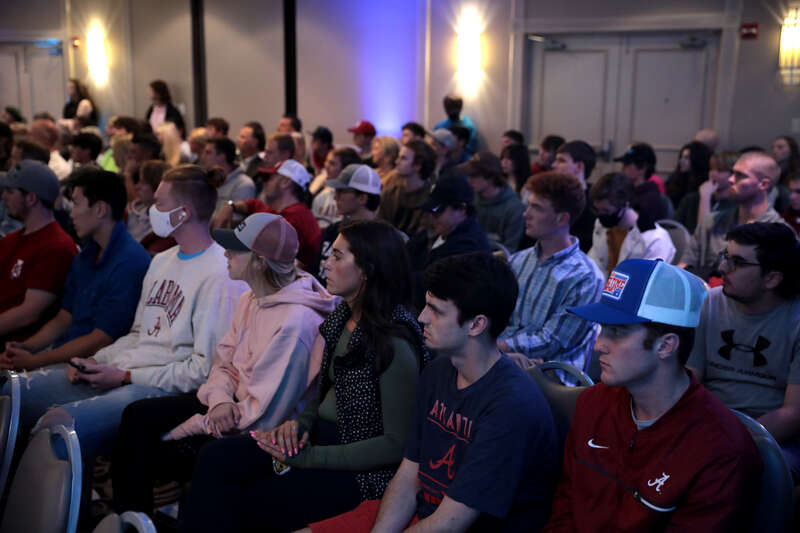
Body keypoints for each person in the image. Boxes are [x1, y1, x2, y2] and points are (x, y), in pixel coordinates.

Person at [182, 219, 429, 532]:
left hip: (361, 470)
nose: (325, 262)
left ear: (367, 270)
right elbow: (327, 392)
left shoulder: (393, 342)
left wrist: (312, 457)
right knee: (216, 458)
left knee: (251, 500)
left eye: (338, 257)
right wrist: (301, 424)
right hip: (319, 437)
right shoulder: (342, 315)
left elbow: (395, 445)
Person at [308, 252, 559, 533]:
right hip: (423, 511)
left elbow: (452, 522)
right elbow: (409, 473)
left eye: (436, 310)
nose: (421, 317)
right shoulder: (439, 370)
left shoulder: (510, 405)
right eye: (426, 305)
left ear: (476, 324)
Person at [12, 164, 248, 457]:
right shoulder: (161, 261)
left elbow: (205, 370)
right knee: (13, 394)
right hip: (123, 371)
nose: (151, 209)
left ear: (183, 213)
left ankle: (65, 501)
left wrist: (125, 376)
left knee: (56, 431)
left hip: (159, 389)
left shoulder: (220, 274)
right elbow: (138, 334)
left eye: (159, 204)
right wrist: (93, 360)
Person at [112, 212, 338, 514]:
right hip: (229, 407)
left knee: (164, 449)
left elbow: (265, 415)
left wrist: (193, 425)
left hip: (260, 430)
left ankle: (151, 514)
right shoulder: (252, 297)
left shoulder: (296, 323)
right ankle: (131, 519)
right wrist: (218, 401)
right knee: (137, 416)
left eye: (235, 248)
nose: (226, 253)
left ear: (259, 260)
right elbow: (224, 362)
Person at [545, 258, 763, 532]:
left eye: (617, 332)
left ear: (666, 345)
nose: (599, 344)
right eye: (602, 329)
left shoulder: (721, 449)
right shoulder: (593, 403)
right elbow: (565, 510)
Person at [0, 168, 150, 371]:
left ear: (99, 210)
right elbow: (64, 318)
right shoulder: (87, 255)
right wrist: (27, 347)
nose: (71, 214)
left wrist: (33, 362)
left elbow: (100, 339)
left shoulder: (129, 261)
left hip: (94, 365)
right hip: (63, 353)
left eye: (77, 203)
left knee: (10, 389)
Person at [687, 222, 800, 480]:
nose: (722, 268)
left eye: (737, 262)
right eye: (725, 256)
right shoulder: (711, 303)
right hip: (706, 425)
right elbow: (689, 378)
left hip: (771, 437)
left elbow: (793, 414)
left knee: (745, 475)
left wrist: (728, 439)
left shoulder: (796, 319)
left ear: (772, 278)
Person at [497, 171, 603, 376]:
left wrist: (493, 347)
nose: (526, 213)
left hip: (551, 374)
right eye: (529, 205)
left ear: (561, 218)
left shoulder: (586, 277)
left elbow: (553, 342)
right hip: (507, 360)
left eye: (536, 208)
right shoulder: (519, 260)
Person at [0, 161, 77, 345]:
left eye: (11, 192)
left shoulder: (56, 247)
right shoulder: (12, 240)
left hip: (15, 349)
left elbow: (29, 314)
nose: (3, 197)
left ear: (31, 198)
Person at [680, 151, 788, 279]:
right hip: (707, 295)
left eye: (740, 175)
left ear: (763, 184)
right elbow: (684, 266)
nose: (731, 179)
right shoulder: (711, 221)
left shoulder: (780, 234)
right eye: (732, 173)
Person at [218, 160, 321, 272]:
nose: (264, 183)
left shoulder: (296, 219)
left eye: (269, 178)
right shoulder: (277, 210)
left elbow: (278, 270)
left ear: (285, 182)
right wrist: (230, 206)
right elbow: (253, 205)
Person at [406, 176, 491, 310]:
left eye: (438, 212)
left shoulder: (469, 248)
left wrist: (396, 277)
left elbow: (433, 283)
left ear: (462, 209)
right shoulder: (437, 232)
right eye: (430, 212)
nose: (432, 218)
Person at [588, 172, 675, 278]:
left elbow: (644, 285)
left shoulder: (656, 240)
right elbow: (594, 265)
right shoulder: (603, 226)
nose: (600, 216)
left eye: (606, 211)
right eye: (597, 210)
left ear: (626, 204)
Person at [317, 164, 381, 283]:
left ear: (362, 198)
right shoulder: (332, 230)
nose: (335, 197)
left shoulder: (385, 240)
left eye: (341, 191)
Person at [461, 151, 525, 253]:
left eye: (474, 176)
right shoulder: (470, 198)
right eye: (468, 175)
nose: (469, 180)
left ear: (491, 176)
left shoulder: (514, 208)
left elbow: (509, 251)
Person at [377, 140, 436, 237]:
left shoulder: (430, 198)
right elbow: (381, 227)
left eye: (403, 158)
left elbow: (422, 237)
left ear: (417, 166)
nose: (396, 162)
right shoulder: (390, 193)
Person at [675, 150, 738, 234]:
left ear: (733, 175)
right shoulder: (691, 200)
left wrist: (705, 197)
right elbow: (672, 229)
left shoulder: (736, 205)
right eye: (711, 169)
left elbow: (704, 237)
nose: (713, 174)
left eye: (720, 170)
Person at [553, 140, 597, 253]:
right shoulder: (553, 196)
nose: (554, 165)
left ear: (579, 166)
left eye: (561, 161)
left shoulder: (593, 203)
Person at [202, 137, 255, 215]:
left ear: (222, 157)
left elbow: (234, 220)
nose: (203, 156)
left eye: (208, 152)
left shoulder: (244, 185)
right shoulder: (206, 181)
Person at [310, 147, 361, 225]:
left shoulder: (355, 201)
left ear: (346, 169)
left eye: (332, 163)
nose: (326, 166)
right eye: (326, 161)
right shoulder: (322, 196)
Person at [665, 141, 712, 210]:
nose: (681, 161)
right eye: (681, 157)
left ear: (697, 160)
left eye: (687, 158)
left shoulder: (704, 185)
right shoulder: (675, 179)